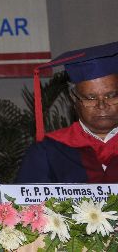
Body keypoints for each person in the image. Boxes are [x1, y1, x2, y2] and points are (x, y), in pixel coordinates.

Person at [16, 41, 118, 183]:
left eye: (111, 96)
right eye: (90, 98)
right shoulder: (48, 150)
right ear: (74, 99)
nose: (102, 105)